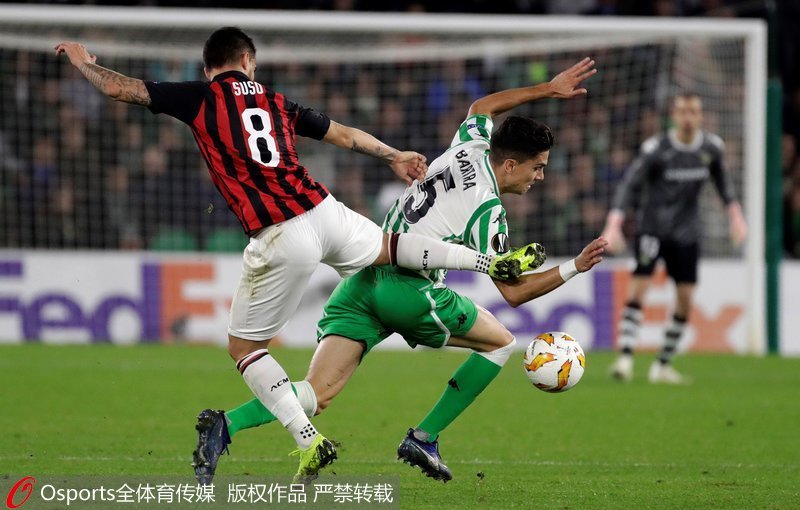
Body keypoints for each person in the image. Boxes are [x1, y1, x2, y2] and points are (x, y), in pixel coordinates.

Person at [54, 27, 539, 483]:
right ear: (248, 61)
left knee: (246, 349)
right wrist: (393, 155)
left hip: (280, 232)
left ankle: (308, 440)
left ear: (209, 69)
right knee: (389, 248)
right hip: (324, 210)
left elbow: (120, 89)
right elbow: (345, 135)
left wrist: (82, 62)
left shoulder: (202, 96)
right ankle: (487, 263)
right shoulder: (276, 100)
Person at [191, 57, 606, 483]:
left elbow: (483, 106)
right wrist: (575, 267)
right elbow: (514, 293)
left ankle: (226, 424)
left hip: (364, 279)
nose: (540, 177)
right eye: (538, 167)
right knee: (500, 344)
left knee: (315, 394)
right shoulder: (487, 210)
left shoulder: (470, 145)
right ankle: (425, 437)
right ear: (511, 165)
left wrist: (547, 89)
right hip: (410, 292)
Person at [602, 93, 748, 384]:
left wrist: (736, 217)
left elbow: (724, 186)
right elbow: (630, 186)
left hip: (686, 234)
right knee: (638, 290)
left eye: (693, 112)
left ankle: (662, 365)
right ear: (674, 116)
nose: (688, 117)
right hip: (652, 230)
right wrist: (613, 225)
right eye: (682, 111)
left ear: (701, 116)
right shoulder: (657, 149)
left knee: (685, 300)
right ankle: (625, 359)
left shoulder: (711, 149)